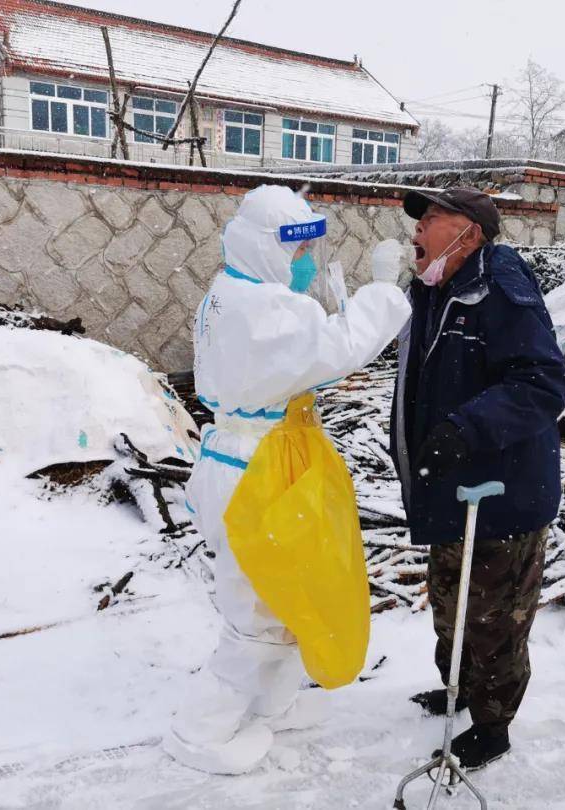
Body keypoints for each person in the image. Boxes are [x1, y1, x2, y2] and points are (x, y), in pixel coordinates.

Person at [166, 184, 411, 775]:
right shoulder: (265, 310)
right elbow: (337, 349)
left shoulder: (234, 292)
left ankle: (272, 703)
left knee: (284, 593)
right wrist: (380, 292)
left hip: (250, 456)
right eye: (295, 251)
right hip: (258, 469)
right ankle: (200, 730)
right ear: (264, 248)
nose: (303, 264)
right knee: (256, 607)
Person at [389, 187, 565, 770]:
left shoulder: (504, 291)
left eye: (433, 217)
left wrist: (468, 428)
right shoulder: (435, 289)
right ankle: (459, 688)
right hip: (451, 485)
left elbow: (543, 383)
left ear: (470, 231)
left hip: (501, 491)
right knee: (451, 601)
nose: (417, 227)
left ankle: (494, 726)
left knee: (494, 618)